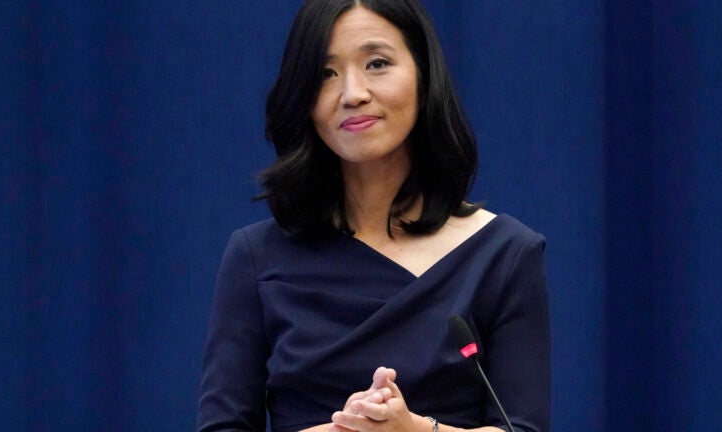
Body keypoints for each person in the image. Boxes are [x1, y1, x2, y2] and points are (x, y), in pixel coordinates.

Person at [196, 1, 550, 432]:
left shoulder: (505, 254)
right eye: (325, 74)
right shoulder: (256, 256)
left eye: (377, 64)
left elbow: (522, 427)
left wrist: (414, 430)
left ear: (424, 75)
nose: (352, 94)